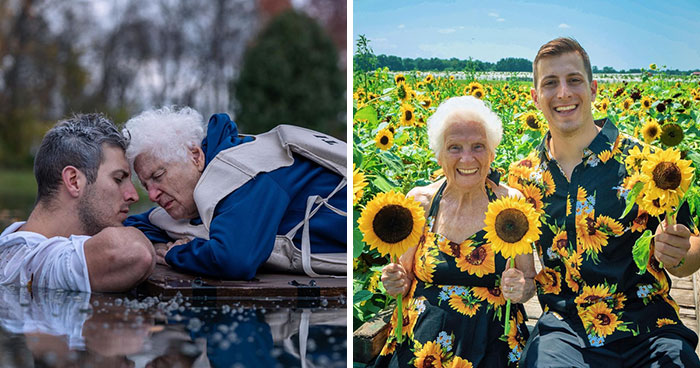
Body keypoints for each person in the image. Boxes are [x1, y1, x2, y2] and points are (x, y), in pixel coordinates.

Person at [514, 37, 700, 367]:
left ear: (594, 88)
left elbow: (690, 250)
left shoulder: (648, 165)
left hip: (649, 326)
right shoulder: (522, 178)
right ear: (535, 97)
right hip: (565, 328)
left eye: (574, 80)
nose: (563, 93)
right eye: (550, 83)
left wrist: (678, 253)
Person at [375, 96, 537, 367]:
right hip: (422, 344)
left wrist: (520, 290)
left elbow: (529, 280)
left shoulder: (511, 205)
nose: (467, 158)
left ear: (492, 152)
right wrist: (394, 282)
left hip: (493, 343)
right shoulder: (420, 203)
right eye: (454, 148)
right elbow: (402, 280)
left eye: (478, 146)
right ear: (438, 154)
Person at [123, 106, 346, 280]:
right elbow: (137, 224)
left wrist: (174, 255)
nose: (152, 195)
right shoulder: (199, 194)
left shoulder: (244, 173)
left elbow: (235, 259)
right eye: (145, 185)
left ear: (195, 156)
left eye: (159, 176)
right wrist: (159, 246)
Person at [0, 114, 155, 292]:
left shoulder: (12, 244)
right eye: (118, 179)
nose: (133, 195)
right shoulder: (30, 263)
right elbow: (135, 252)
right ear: (74, 181)